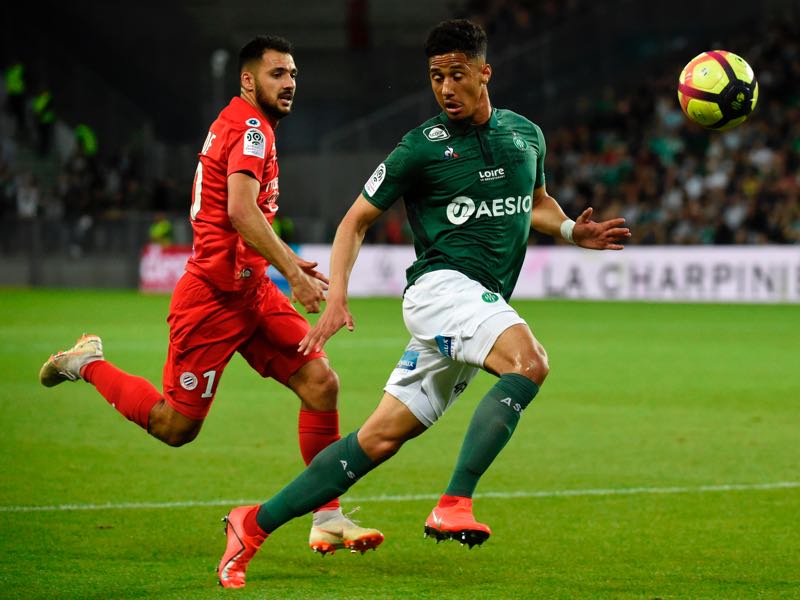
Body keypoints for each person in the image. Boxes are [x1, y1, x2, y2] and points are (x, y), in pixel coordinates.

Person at [215, 20, 630, 588]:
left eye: (457, 75)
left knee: (380, 437)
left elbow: (532, 199)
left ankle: (252, 524)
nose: (445, 88)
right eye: (436, 77)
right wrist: (336, 294)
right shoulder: (420, 148)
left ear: (485, 73)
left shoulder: (526, 135)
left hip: (475, 301)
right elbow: (354, 222)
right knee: (528, 361)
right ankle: (454, 501)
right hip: (441, 290)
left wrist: (567, 231)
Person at [38, 35, 381, 560]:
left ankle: (327, 517)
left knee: (320, 382)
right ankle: (86, 363)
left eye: (293, 74)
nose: (289, 83)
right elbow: (242, 214)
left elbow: (246, 216)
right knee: (175, 428)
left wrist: (278, 262)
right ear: (248, 80)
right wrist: (295, 271)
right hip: (213, 300)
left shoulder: (247, 124)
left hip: (253, 290)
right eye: (276, 74)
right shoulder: (249, 128)